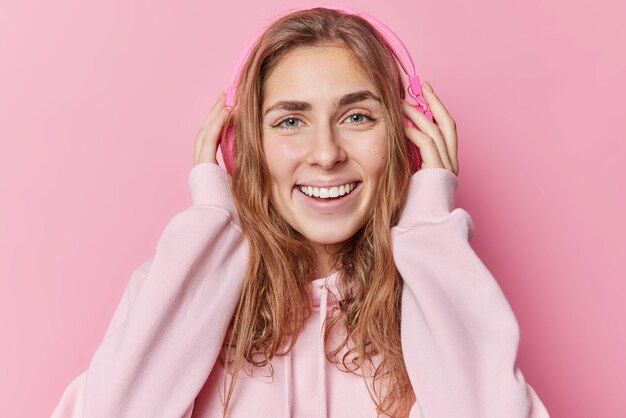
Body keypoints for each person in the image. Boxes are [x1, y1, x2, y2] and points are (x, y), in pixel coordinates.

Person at [50, 7, 550, 418]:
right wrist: (212, 228)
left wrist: (432, 228)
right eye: (291, 120)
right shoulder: (175, 290)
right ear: (243, 147)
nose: (326, 152)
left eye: (357, 116)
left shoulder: (439, 301)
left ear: (406, 138)